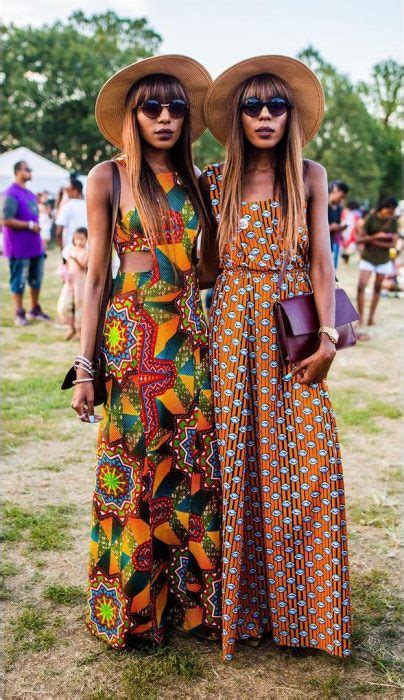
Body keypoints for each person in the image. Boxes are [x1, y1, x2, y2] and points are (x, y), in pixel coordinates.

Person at [200, 55, 351, 661]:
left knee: (308, 463)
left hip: (292, 325)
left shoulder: (309, 175)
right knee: (239, 467)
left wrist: (331, 338)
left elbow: (320, 262)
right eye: (253, 106)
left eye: (276, 106)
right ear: (238, 116)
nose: (265, 116)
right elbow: (207, 267)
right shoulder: (216, 179)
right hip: (233, 328)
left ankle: (308, 617)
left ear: (291, 116)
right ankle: (249, 612)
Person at [69, 56, 221, 650]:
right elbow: (97, 280)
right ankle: (132, 611)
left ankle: (191, 609)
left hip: (189, 335)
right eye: (152, 107)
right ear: (132, 115)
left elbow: (207, 271)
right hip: (132, 339)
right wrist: (87, 367)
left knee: (189, 472)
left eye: (176, 108)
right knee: (134, 473)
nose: (165, 118)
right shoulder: (107, 176)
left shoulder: (200, 181)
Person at [1, 161, 51, 326]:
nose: (30, 172)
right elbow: (5, 219)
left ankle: (34, 309)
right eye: (26, 169)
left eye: (30, 169)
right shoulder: (10, 193)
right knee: (19, 281)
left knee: (36, 280)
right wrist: (29, 225)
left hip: (35, 246)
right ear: (17, 172)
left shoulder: (30, 193)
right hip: (18, 247)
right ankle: (19, 312)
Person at [356, 196, 398, 326]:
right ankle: (361, 317)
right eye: (389, 210)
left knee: (377, 288)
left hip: (383, 259)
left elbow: (393, 244)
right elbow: (359, 239)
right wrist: (377, 237)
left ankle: (371, 318)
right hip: (368, 257)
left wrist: (373, 241)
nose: (390, 213)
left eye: (393, 211)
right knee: (361, 286)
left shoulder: (393, 222)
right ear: (383, 207)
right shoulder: (371, 218)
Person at [57, 227, 89, 340]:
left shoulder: (87, 251)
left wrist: (75, 258)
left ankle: (79, 330)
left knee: (79, 306)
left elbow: (83, 266)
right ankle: (70, 326)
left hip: (81, 282)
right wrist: (63, 272)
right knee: (64, 305)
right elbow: (66, 264)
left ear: (86, 239)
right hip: (70, 282)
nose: (79, 241)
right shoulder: (70, 250)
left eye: (82, 239)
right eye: (76, 239)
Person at [55, 178, 87, 249]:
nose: (66, 192)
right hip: (87, 248)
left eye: (67, 189)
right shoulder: (89, 205)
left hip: (70, 249)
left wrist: (62, 249)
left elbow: (58, 232)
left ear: (75, 191)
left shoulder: (67, 206)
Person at [328, 180, 349, 268]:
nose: (341, 199)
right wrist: (329, 227)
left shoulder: (339, 208)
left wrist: (340, 228)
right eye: (341, 196)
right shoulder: (321, 204)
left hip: (331, 243)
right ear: (335, 191)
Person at [341, 200, 361, 264]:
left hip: (347, 232)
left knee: (348, 248)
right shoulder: (356, 214)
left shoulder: (345, 212)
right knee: (348, 248)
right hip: (348, 232)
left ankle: (345, 259)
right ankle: (345, 259)